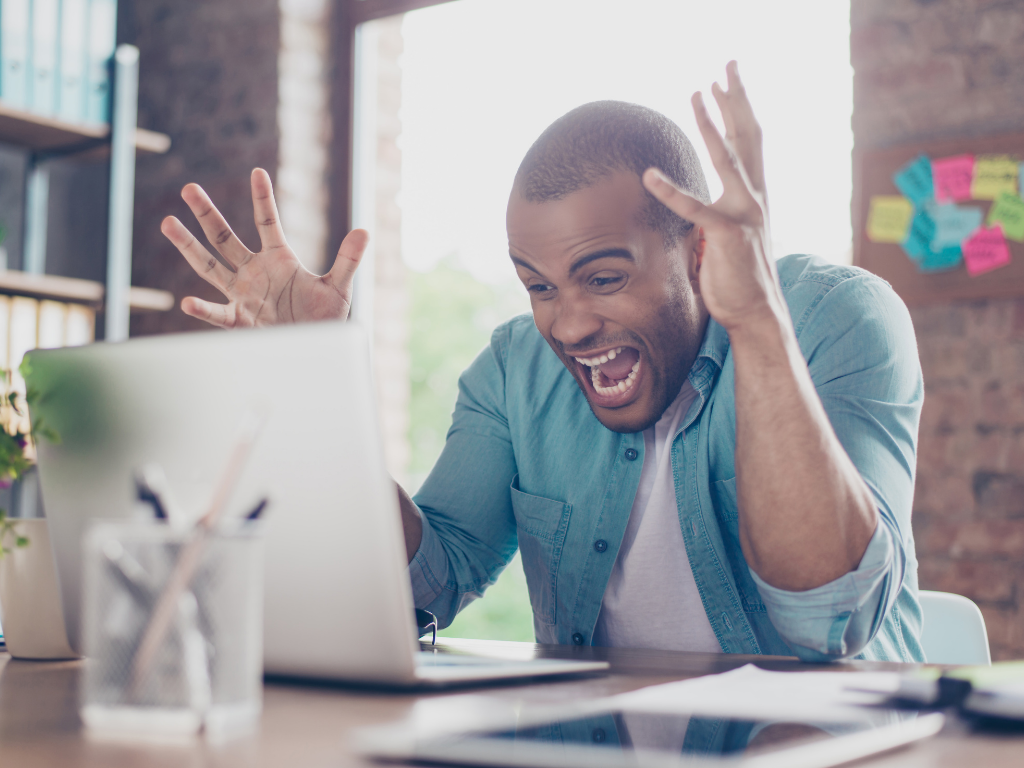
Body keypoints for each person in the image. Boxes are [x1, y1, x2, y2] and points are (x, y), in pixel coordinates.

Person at [161, 63, 923, 662]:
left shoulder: (835, 319)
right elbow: (425, 586)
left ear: (697, 253)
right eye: (539, 287)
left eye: (603, 278)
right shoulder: (512, 372)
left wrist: (755, 321)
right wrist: (312, 373)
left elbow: (831, 622)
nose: (569, 324)